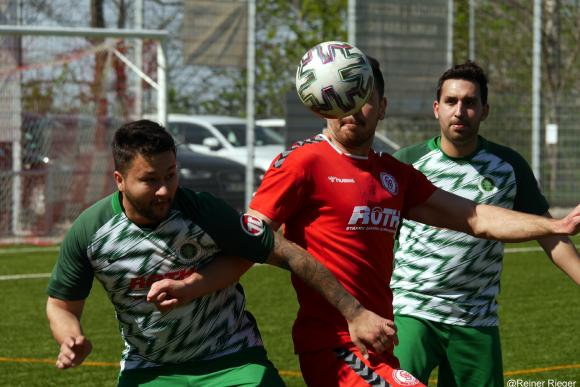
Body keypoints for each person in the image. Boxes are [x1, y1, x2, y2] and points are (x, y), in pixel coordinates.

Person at [148, 56, 580, 387]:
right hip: (334, 343)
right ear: (323, 102)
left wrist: (554, 226)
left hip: (379, 340)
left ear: (382, 107)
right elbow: (253, 237)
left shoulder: (393, 174)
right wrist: (192, 285)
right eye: (343, 94)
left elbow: (476, 218)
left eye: (364, 95)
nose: (353, 106)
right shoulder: (302, 163)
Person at [45, 119, 398, 386]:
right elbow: (61, 305)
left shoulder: (204, 212)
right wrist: (70, 337)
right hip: (149, 367)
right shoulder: (91, 233)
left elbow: (288, 253)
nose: (165, 189)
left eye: (171, 175)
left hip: (232, 358)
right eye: (150, 180)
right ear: (119, 180)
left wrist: (354, 312)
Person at [391, 60, 580, 386]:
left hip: (475, 318)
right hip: (413, 311)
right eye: (451, 102)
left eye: (470, 102)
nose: (459, 111)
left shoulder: (509, 166)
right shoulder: (407, 165)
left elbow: (549, 234)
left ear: (485, 110)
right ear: (437, 109)